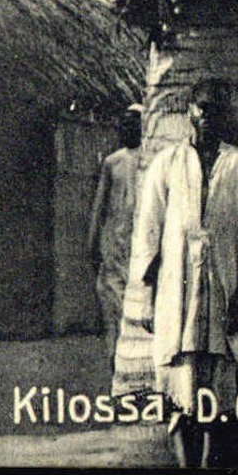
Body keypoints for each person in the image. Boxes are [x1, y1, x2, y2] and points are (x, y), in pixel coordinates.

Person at [130, 79, 238, 468]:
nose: (210, 117)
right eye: (204, 109)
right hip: (175, 292)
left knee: (218, 388)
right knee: (179, 386)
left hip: (221, 283)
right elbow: (149, 231)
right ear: (190, 112)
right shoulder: (167, 164)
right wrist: (148, 299)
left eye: (218, 110)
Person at [88, 104, 143, 359]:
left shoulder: (150, 159)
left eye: (132, 123)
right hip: (114, 249)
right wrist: (93, 245)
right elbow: (99, 207)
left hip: (138, 249)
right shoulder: (113, 162)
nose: (125, 128)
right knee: (113, 317)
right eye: (123, 124)